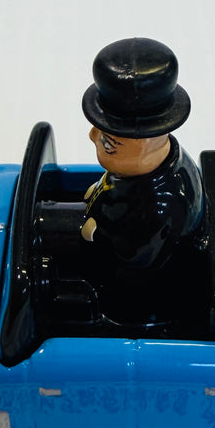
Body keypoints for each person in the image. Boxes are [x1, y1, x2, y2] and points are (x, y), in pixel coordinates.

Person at [80, 38, 203, 278]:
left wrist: (100, 234)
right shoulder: (142, 169)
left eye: (109, 142)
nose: (92, 136)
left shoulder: (155, 211)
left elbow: (134, 266)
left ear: (145, 146)